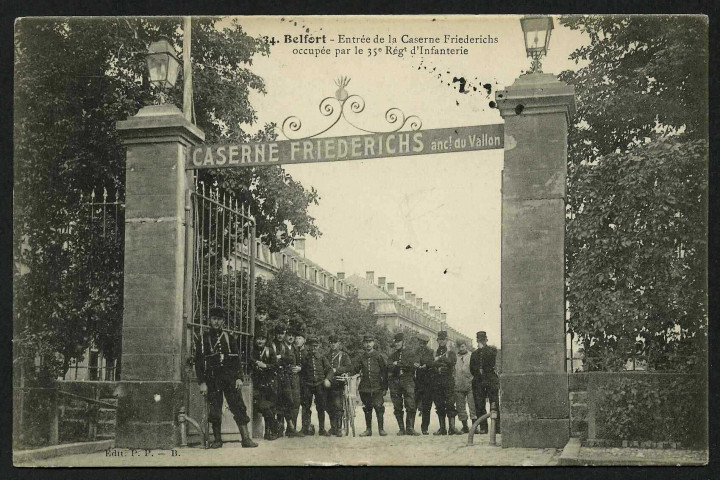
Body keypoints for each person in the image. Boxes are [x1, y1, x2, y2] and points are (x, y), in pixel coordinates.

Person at [194, 306, 257, 448]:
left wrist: (239, 377)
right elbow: (198, 362)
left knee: (238, 405)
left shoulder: (229, 337)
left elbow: (236, 359)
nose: (216, 322)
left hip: (229, 377)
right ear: (210, 320)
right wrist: (202, 382)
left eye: (219, 319)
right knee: (215, 408)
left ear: (223, 321)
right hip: (212, 378)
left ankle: (246, 439)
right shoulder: (203, 338)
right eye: (214, 319)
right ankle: (217, 440)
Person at [352, 334, 388, 437]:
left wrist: (385, 387)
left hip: (377, 387)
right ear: (363, 344)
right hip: (365, 387)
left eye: (370, 342)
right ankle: (368, 430)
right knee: (367, 408)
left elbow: (384, 372)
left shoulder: (378, 356)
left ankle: (381, 429)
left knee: (379, 407)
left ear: (373, 343)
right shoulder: (361, 357)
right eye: (366, 342)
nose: (368, 344)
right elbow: (355, 369)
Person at [250, 326, 280, 441]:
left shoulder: (269, 351)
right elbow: (249, 360)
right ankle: (276, 424)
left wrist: (266, 366)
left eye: (262, 339)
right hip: (257, 384)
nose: (260, 341)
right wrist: (256, 362)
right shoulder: (253, 350)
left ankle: (268, 432)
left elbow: (275, 366)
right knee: (262, 405)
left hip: (269, 383)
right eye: (258, 338)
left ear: (266, 340)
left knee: (270, 407)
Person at [300, 336, 334, 436]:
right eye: (312, 346)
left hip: (319, 385)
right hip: (307, 385)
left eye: (315, 346)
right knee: (306, 406)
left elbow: (330, 370)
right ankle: (305, 428)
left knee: (321, 407)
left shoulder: (322, 358)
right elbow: (301, 371)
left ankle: (322, 429)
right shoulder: (304, 358)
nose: (314, 348)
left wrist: (328, 379)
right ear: (308, 347)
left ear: (318, 347)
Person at [388, 332, 420, 436]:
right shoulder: (392, 355)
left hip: (408, 381)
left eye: (399, 342)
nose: (397, 344)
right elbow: (388, 367)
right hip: (395, 382)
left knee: (410, 404)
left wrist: (398, 364)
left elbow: (414, 365)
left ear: (403, 342)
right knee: (397, 405)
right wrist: (401, 365)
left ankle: (410, 428)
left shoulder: (411, 353)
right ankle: (401, 429)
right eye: (396, 342)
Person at [470, 330, 500, 434]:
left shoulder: (491, 351)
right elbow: (472, 369)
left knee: (494, 403)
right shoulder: (474, 354)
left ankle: (497, 427)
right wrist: (478, 373)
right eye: (479, 340)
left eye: (482, 340)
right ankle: (483, 427)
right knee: (479, 405)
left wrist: (483, 349)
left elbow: (492, 361)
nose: (481, 342)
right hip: (479, 381)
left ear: (486, 340)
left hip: (490, 379)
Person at [432, 331, 460, 435]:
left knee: (450, 404)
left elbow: (452, 362)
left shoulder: (451, 352)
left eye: (443, 339)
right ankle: (442, 428)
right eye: (440, 339)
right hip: (437, 382)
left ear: (447, 340)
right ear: (437, 340)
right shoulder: (434, 352)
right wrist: (439, 362)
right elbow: (431, 364)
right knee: (439, 404)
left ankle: (452, 428)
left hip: (448, 382)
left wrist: (440, 360)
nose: (441, 341)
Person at [327, 334, 353, 437]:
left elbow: (348, 367)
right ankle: (332, 427)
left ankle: (338, 428)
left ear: (339, 343)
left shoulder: (344, 355)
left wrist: (337, 370)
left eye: (335, 342)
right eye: (331, 342)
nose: (333, 344)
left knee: (337, 405)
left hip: (339, 383)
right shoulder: (327, 356)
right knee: (328, 406)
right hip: (329, 384)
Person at [413, 333, 435, 435]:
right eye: (420, 342)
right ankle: (411, 427)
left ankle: (424, 428)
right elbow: (412, 361)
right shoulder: (415, 351)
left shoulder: (430, 352)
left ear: (426, 343)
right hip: (417, 382)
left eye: (423, 343)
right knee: (413, 404)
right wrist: (415, 364)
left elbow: (432, 364)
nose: (421, 344)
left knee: (427, 406)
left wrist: (426, 366)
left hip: (428, 382)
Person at [453, 338, 477, 434]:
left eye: (462, 346)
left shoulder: (472, 356)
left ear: (466, 346)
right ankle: (465, 426)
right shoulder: (455, 357)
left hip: (470, 384)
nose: (461, 348)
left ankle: (475, 427)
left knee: (472, 406)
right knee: (460, 407)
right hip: (458, 384)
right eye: (459, 347)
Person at [294, 329, 313, 435]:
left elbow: (310, 366)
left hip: (306, 383)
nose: (297, 340)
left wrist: (301, 368)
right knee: (295, 404)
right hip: (295, 382)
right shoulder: (293, 351)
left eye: (299, 338)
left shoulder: (308, 352)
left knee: (306, 405)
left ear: (304, 340)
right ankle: (293, 428)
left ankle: (306, 427)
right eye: (296, 338)